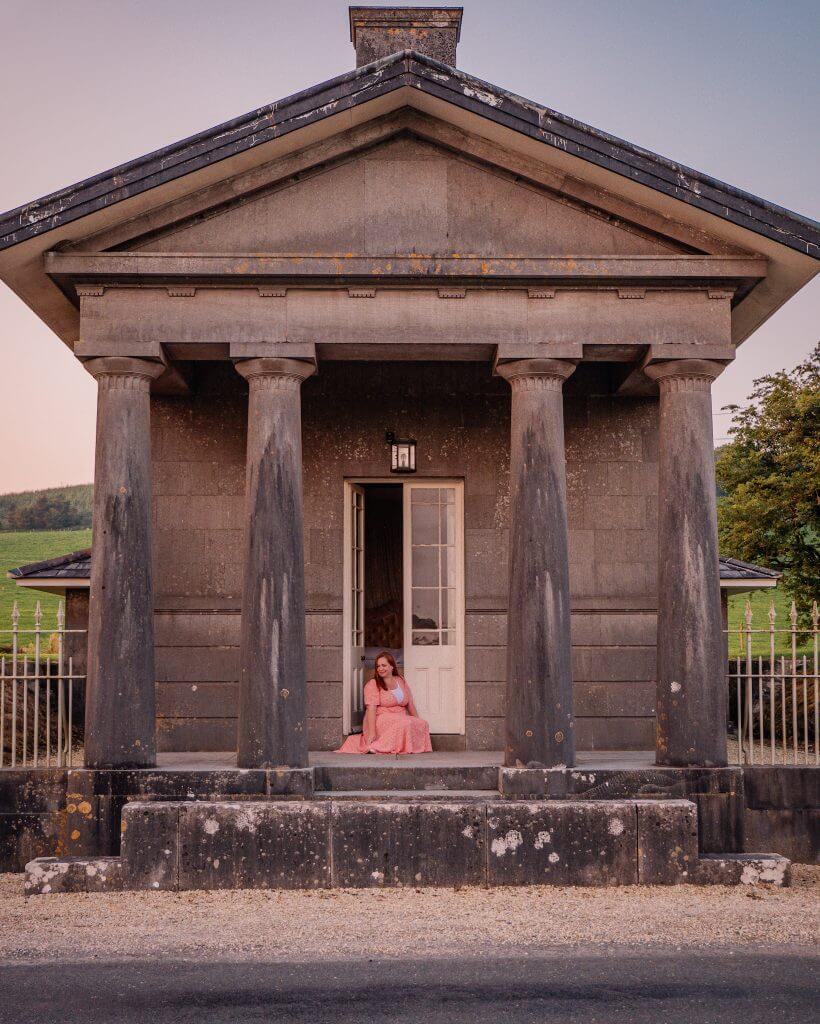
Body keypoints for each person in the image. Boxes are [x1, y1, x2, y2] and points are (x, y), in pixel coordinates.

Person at [336, 651, 432, 754]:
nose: (380, 668)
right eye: (378, 666)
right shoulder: (373, 684)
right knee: (405, 723)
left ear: (392, 667)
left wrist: (416, 721)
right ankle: (377, 746)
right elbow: (371, 709)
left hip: (400, 716)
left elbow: (410, 703)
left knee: (422, 723)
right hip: (380, 717)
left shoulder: (400, 680)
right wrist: (372, 732)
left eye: (384, 665)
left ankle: (410, 747)